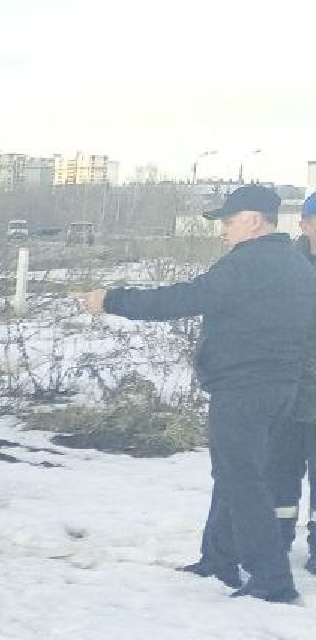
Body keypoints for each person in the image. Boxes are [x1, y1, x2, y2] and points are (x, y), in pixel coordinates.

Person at [79, 184, 316, 603]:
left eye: (228, 220)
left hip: (245, 386)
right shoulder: (296, 265)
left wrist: (112, 300)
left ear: (253, 220)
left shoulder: (250, 264)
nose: (222, 230)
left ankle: (272, 580)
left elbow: (186, 297)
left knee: (242, 478)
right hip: (281, 387)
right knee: (234, 472)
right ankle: (218, 559)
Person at [264, 193, 316, 567]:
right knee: (280, 471)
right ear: (305, 224)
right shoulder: (287, 268)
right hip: (288, 390)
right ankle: (276, 538)